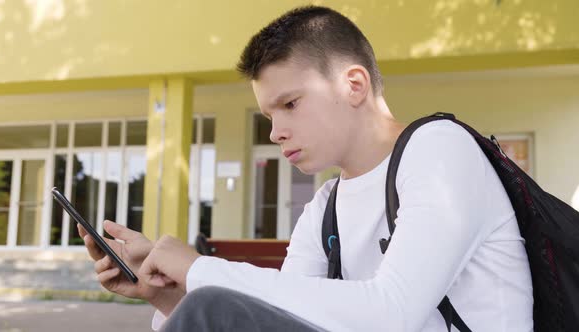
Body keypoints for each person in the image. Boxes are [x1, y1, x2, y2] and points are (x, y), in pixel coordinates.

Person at [80, 6, 533, 331]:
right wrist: (167, 292)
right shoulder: (325, 206)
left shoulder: (440, 150)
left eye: (290, 105)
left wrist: (199, 268)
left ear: (353, 84)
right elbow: (285, 319)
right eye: (268, 117)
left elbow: (392, 313)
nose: (276, 132)